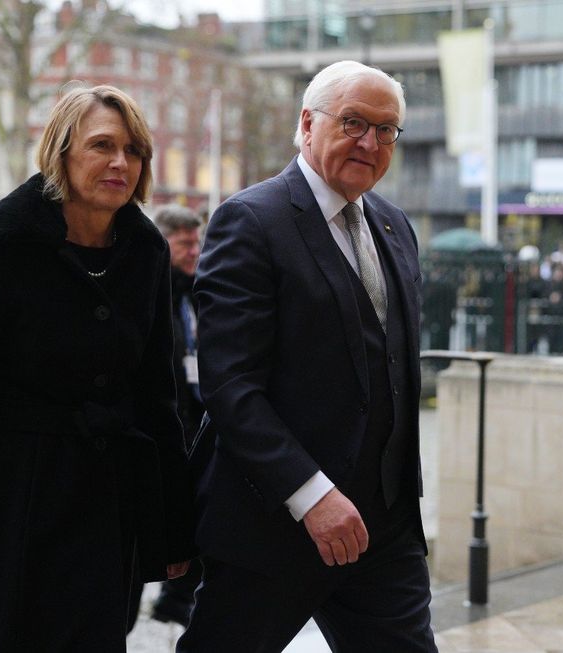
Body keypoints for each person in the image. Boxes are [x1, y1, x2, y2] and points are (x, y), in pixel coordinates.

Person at [0, 84, 195, 651]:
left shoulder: (147, 253)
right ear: (61, 152)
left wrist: (171, 531)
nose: (119, 162)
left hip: (110, 503)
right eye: (101, 145)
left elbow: (159, 398)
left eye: (133, 151)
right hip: (15, 497)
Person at [178, 61, 437, 652]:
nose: (369, 142)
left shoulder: (396, 226)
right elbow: (230, 386)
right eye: (353, 122)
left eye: (386, 129)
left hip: (384, 530)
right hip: (272, 529)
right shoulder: (250, 221)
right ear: (308, 123)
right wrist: (311, 496)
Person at [149, 204, 205, 626]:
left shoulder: (194, 293)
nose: (194, 250)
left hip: (193, 429)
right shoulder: (152, 294)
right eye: (184, 242)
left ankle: (175, 596)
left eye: (196, 241)